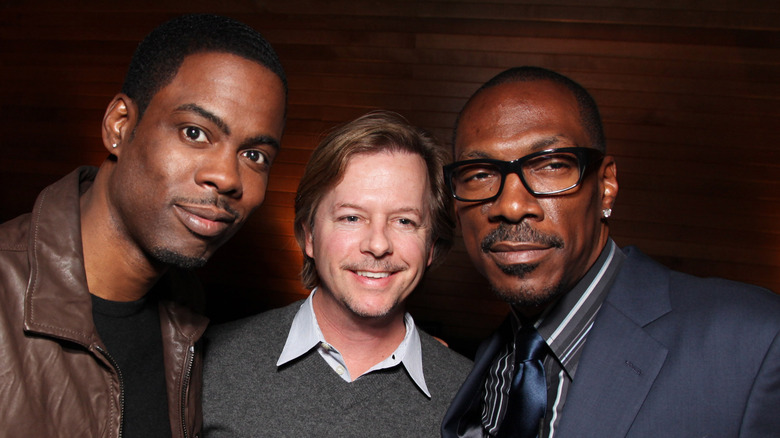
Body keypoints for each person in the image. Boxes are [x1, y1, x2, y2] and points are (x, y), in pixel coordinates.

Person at [441, 66, 780, 437]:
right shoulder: (476, 370)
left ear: (605, 186)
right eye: (479, 174)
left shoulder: (754, 342)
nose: (511, 204)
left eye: (551, 165)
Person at [0, 14, 286, 438]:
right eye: (195, 132)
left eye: (255, 155)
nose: (227, 177)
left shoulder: (186, 313)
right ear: (120, 126)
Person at [203, 111, 472, 437]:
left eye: (404, 221)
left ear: (430, 246)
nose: (377, 244)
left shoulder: (473, 397)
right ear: (310, 236)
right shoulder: (209, 362)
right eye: (351, 218)